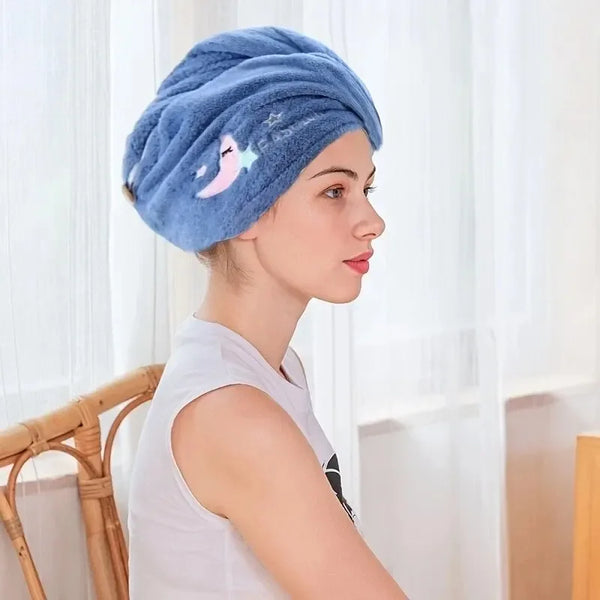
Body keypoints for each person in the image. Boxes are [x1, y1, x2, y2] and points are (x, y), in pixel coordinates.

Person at [122, 25, 409, 599]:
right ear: (244, 208)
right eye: (335, 191)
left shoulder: (262, 367)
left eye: (367, 190)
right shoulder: (234, 415)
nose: (373, 223)